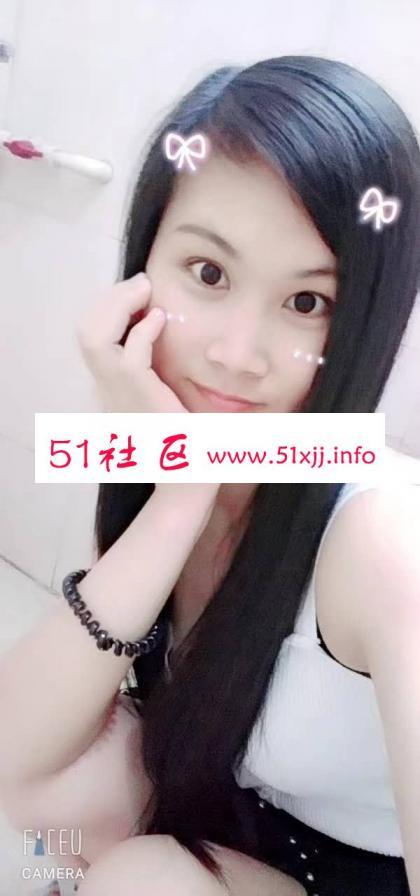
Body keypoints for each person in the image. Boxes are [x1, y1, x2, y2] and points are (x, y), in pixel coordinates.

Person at [1, 55, 420, 896]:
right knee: (52, 792)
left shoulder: (384, 540)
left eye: (307, 303)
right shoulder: (174, 454)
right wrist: (180, 490)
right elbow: (16, 753)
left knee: (142, 880)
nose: (237, 355)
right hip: (251, 821)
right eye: (209, 274)